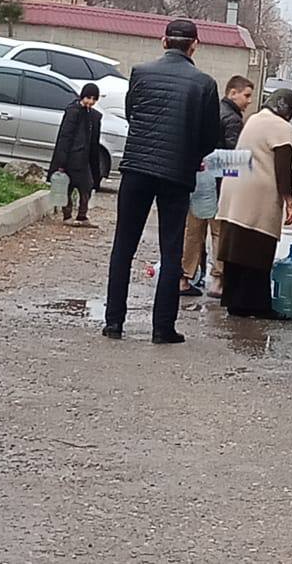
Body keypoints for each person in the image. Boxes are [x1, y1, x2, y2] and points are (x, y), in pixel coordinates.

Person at [103, 19, 221, 344]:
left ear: (163, 41)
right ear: (195, 45)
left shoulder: (140, 73)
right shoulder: (205, 84)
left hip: (136, 168)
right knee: (171, 251)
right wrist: (190, 153)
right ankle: (162, 328)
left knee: (123, 246)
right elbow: (210, 137)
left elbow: (133, 115)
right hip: (177, 173)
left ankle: (114, 322)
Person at [216, 89, 292, 318]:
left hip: (235, 189)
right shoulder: (282, 127)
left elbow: (291, 140)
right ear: (290, 109)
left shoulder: (256, 119)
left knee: (237, 249)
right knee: (258, 250)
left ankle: (235, 303)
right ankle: (258, 306)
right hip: (257, 195)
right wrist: (289, 202)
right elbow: (284, 169)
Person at [180, 74, 254, 300]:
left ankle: (183, 278)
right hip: (219, 187)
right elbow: (233, 157)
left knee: (193, 233)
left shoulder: (210, 113)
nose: (249, 101)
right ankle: (218, 281)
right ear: (232, 93)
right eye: (246, 95)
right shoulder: (233, 119)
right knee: (219, 233)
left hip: (197, 182)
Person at [49, 83, 102, 227]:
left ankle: (82, 215)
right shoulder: (73, 112)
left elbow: (93, 141)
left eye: (94, 99)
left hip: (84, 159)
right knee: (68, 186)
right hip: (71, 157)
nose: (90, 102)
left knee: (87, 186)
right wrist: (61, 161)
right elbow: (65, 137)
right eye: (88, 98)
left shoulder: (93, 116)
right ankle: (67, 215)